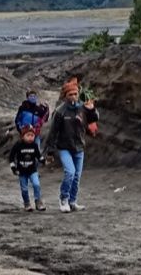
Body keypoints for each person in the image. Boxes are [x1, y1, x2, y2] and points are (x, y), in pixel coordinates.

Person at [43, 77, 99, 213]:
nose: (73, 97)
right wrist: (49, 152)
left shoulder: (82, 108)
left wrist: (91, 109)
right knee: (70, 173)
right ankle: (64, 199)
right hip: (64, 147)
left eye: (75, 94)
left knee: (77, 177)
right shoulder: (60, 112)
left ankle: (73, 202)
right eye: (70, 94)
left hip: (79, 147)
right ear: (65, 95)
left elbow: (94, 119)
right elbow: (53, 132)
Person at [9, 126, 46, 211]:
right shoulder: (18, 145)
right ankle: (27, 203)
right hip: (21, 171)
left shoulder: (34, 145)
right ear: (23, 136)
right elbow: (11, 157)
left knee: (36, 184)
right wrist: (14, 168)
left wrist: (44, 161)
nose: (30, 137)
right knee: (24, 188)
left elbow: (38, 156)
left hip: (33, 170)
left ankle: (38, 202)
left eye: (32, 135)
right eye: (28, 135)